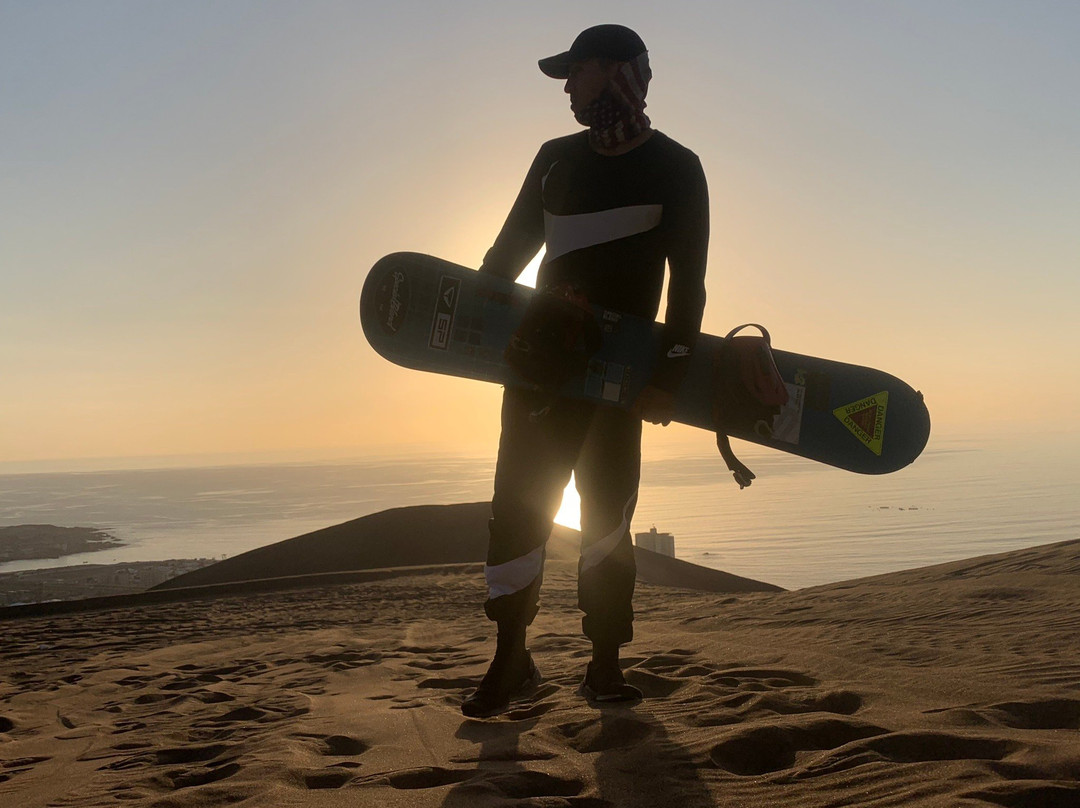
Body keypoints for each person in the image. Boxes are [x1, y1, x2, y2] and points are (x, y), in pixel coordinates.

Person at [462, 24, 709, 718]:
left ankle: (604, 663)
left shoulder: (676, 167)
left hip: (619, 383)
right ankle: (511, 661)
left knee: (607, 518)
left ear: (616, 72)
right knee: (517, 510)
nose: (567, 86)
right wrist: (468, 314)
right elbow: (507, 253)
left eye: (576, 71)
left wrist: (668, 378)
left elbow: (688, 289)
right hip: (539, 373)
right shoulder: (554, 160)